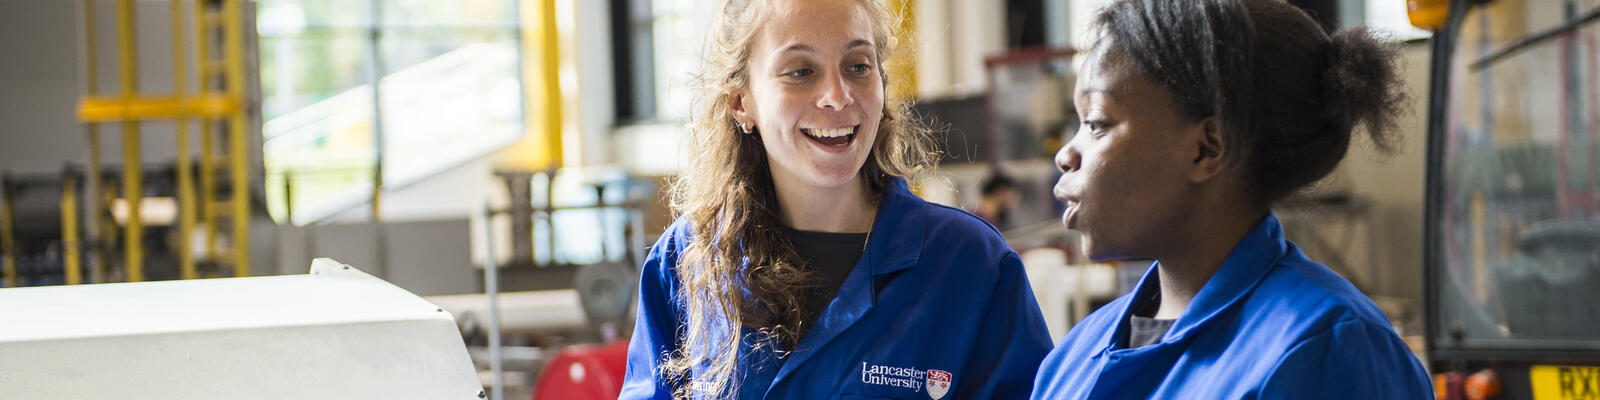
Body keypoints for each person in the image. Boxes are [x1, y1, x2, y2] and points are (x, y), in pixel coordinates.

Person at [620, 0, 1052, 399]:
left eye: (858, 66)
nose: (838, 96)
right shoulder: (686, 264)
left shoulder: (970, 265)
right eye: (800, 71)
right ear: (740, 102)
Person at [1031, 0, 1432, 398]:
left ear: (1207, 149)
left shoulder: (1324, 349)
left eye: (1096, 124)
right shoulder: (1074, 356)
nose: (1065, 155)